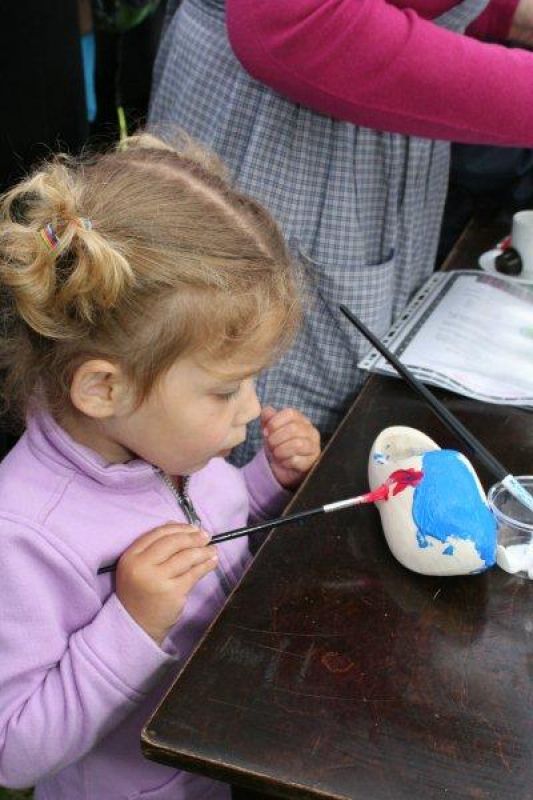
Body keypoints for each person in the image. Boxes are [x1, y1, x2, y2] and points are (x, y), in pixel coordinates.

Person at [0, 133, 320, 800]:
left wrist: (268, 483)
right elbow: (13, 753)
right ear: (103, 389)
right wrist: (132, 622)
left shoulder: (162, 441)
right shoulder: (23, 536)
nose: (250, 409)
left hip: (225, 751)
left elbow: (206, 531)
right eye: (225, 391)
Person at [149, 0, 533, 466]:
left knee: (360, 423)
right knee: (261, 439)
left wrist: (504, 13)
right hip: (290, 128)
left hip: (371, 117)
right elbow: (292, 19)